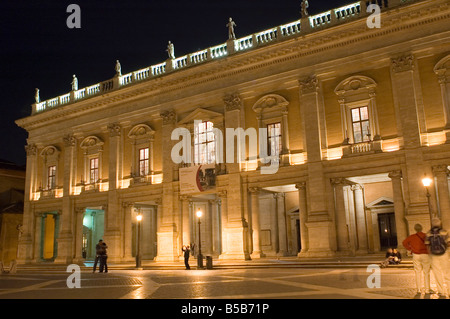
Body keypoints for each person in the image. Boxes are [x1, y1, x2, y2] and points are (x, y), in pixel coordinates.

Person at [403, 224, 432, 298]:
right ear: (422, 228)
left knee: (417, 272)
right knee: (426, 272)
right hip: (425, 254)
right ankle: (427, 290)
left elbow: (404, 242)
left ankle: (418, 290)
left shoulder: (412, 236)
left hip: (416, 255)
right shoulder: (426, 236)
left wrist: (410, 248)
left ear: (415, 229)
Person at [425, 218, 449, 299]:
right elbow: (448, 243)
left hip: (434, 255)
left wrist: (430, 254)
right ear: (440, 223)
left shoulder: (428, 233)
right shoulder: (444, 232)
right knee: (447, 273)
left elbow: (427, 245)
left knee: (437, 274)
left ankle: (441, 292)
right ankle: (449, 290)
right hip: (444, 254)